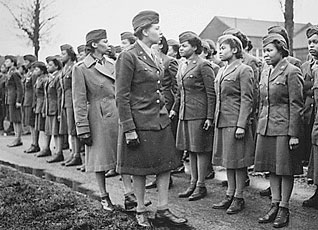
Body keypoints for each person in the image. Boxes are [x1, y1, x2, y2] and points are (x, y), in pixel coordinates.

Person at [116, 10, 187, 227]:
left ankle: (163, 209)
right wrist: (129, 128)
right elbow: (122, 95)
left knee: (165, 165)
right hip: (139, 122)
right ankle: (140, 209)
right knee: (140, 169)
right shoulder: (128, 56)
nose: (160, 31)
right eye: (156, 28)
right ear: (145, 31)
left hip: (159, 119)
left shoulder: (155, 54)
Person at [254, 33, 304, 228]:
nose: (265, 54)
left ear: (281, 50)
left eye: (269, 50)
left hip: (284, 128)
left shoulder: (292, 71)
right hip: (266, 127)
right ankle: (274, 204)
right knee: (272, 168)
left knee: (285, 169)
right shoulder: (265, 71)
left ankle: (284, 208)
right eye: (264, 50)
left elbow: (296, 105)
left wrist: (294, 134)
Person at [73, 29, 118, 211]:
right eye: (104, 41)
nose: (108, 44)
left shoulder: (111, 64)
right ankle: (103, 195)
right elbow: (79, 100)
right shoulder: (81, 68)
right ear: (94, 45)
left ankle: (129, 194)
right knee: (99, 159)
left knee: (123, 155)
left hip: (117, 113)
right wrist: (82, 127)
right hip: (97, 116)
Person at [170, 31, 215, 203]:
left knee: (200, 150)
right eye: (180, 45)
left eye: (185, 45)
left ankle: (201, 185)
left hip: (199, 113)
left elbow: (211, 93)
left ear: (195, 47)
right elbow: (180, 92)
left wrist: (209, 117)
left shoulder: (203, 65)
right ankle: (193, 182)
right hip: (185, 114)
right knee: (190, 150)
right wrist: (175, 109)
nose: (181, 48)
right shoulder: (183, 65)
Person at [212, 35, 254, 214]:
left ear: (235, 50)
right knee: (228, 161)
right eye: (219, 48)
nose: (220, 51)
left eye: (223, 48)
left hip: (235, 121)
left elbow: (247, 99)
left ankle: (239, 197)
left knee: (238, 161)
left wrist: (241, 125)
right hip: (222, 121)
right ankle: (229, 194)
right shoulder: (222, 70)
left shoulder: (244, 70)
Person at [145, 35, 177, 189]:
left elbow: (176, 88)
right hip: (152, 105)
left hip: (166, 104)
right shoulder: (146, 60)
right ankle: (158, 177)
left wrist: (175, 108)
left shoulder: (169, 61)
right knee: (154, 145)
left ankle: (167, 177)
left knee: (165, 144)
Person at [303, 25, 318, 209]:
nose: (311, 46)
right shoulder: (308, 64)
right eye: (309, 42)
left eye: (315, 42)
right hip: (311, 113)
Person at [60, 44, 82, 166]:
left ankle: (77, 155)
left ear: (69, 55)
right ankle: (73, 154)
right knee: (70, 129)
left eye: (63, 54)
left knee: (74, 129)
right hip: (66, 101)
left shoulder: (74, 67)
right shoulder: (65, 68)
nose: (61, 56)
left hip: (73, 101)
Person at [43, 56, 64, 164]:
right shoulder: (50, 77)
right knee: (53, 131)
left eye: (50, 65)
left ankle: (59, 153)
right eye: (47, 64)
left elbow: (60, 96)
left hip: (55, 108)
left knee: (57, 132)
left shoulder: (57, 77)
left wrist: (60, 112)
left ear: (56, 66)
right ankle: (56, 152)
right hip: (50, 108)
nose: (48, 67)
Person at [4, 55, 24, 147]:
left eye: (7, 61)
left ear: (13, 63)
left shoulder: (15, 73)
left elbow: (20, 87)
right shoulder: (10, 72)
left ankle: (18, 138)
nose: (5, 63)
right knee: (14, 119)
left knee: (17, 119)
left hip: (14, 99)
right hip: (10, 99)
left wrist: (19, 100)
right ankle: (16, 138)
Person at [22, 54, 40, 153]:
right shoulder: (29, 73)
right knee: (30, 123)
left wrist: (34, 103)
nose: (25, 64)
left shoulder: (34, 74)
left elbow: (34, 90)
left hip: (31, 101)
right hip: (27, 100)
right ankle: (33, 143)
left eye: (26, 62)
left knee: (33, 124)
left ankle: (35, 144)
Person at [34, 62, 50, 157]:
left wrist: (44, 108)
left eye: (37, 69)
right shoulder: (38, 79)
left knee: (44, 128)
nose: (35, 71)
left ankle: (46, 148)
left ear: (42, 70)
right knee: (40, 127)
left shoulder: (45, 80)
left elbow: (45, 95)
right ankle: (43, 147)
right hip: (38, 105)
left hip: (43, 104)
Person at [0, 64, 8, 131]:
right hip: (1, 96)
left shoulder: (6, 77)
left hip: (4, 96)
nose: (1, 68)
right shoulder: (1, 77)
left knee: (4, 113)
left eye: (3, 67)